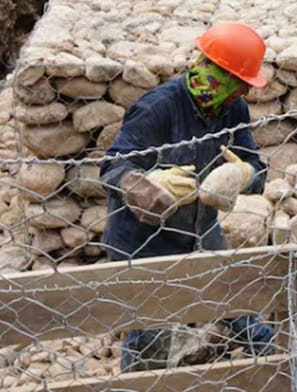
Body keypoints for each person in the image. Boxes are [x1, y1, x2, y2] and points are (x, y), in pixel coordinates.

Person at [101, 21, 275, 371]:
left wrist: (244, 175)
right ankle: (140, 380)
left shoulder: (232, 109)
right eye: (239, 83)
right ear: (219, 74)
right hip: (144, 240)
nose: (244, 92)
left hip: (200, 229)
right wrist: (148, 183)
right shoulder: (158, 107)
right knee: (152, 330)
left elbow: (254, 165)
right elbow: (112, 168)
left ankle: (278, 364)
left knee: (233, 297)